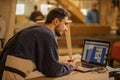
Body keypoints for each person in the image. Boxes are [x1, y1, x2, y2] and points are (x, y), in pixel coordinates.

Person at [0, 8, 77, 80]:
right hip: (10, 75)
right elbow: (52, 70)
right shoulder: (47, 34)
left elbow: (44, 60)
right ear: (56, 21)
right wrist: (70, 67)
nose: (66, 29)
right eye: (65, 24)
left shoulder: (37, 30)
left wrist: (59, 62)